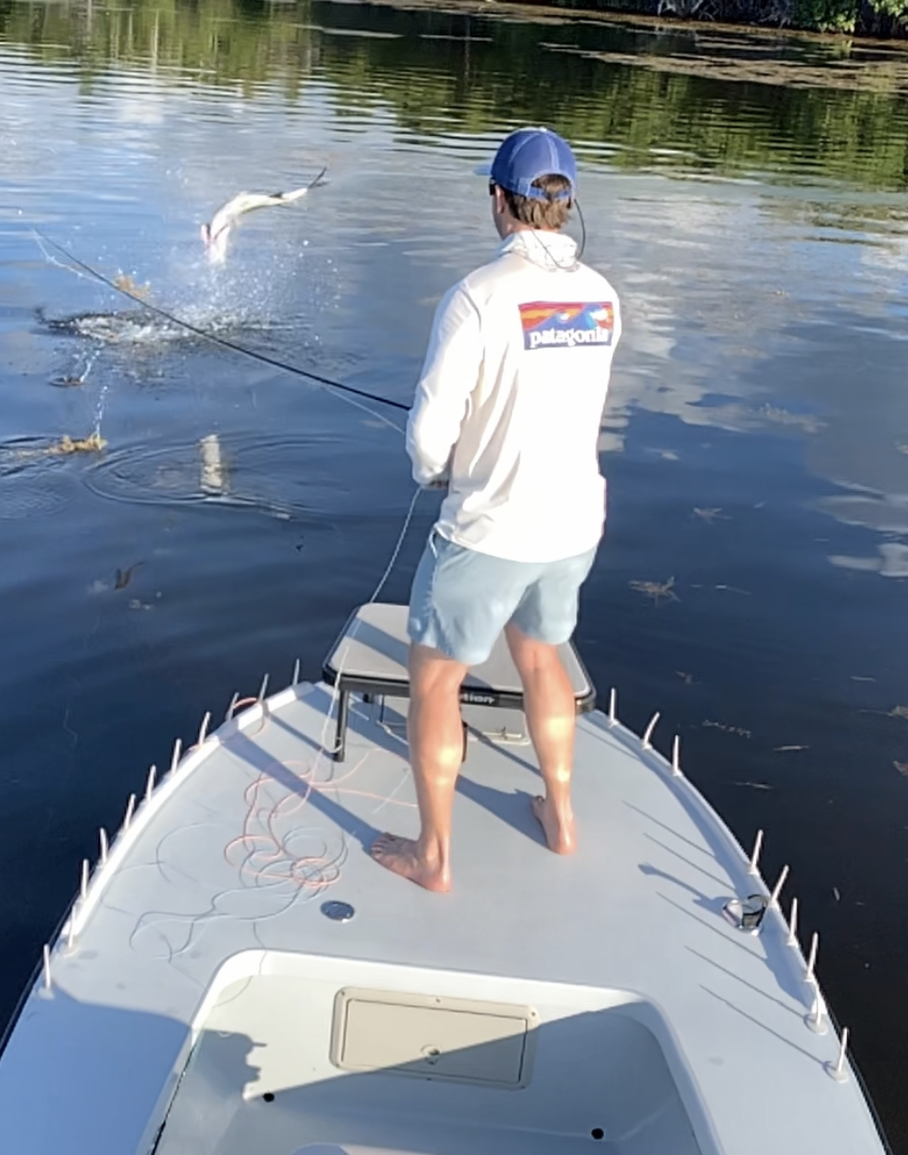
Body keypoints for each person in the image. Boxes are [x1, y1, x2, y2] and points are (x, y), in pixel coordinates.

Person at [370, 127, 622, 894]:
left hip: (490, 530)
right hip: (574, 526)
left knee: (435, 681)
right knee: (542, 658)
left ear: (498, 199)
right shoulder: (603, 298)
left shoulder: (475, 298)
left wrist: (435, 472)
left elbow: (428, 437)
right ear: (566, 203)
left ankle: (434, 857)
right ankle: (562, 817)